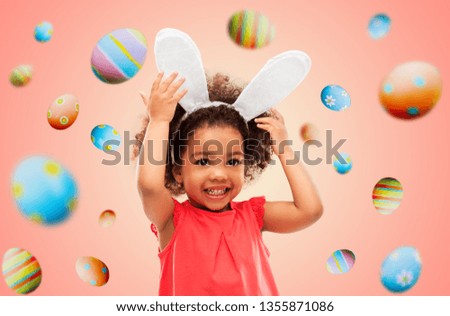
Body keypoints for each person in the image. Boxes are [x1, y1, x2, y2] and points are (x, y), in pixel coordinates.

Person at [134, 29, 323, 296]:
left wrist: (284, 148)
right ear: (177, 171)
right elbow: (150, 186)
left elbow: (309, 210)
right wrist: (160, 120)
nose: (219, 174)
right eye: (203, 161)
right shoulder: (172, 220)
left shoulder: (253, 216)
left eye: (232, 161)